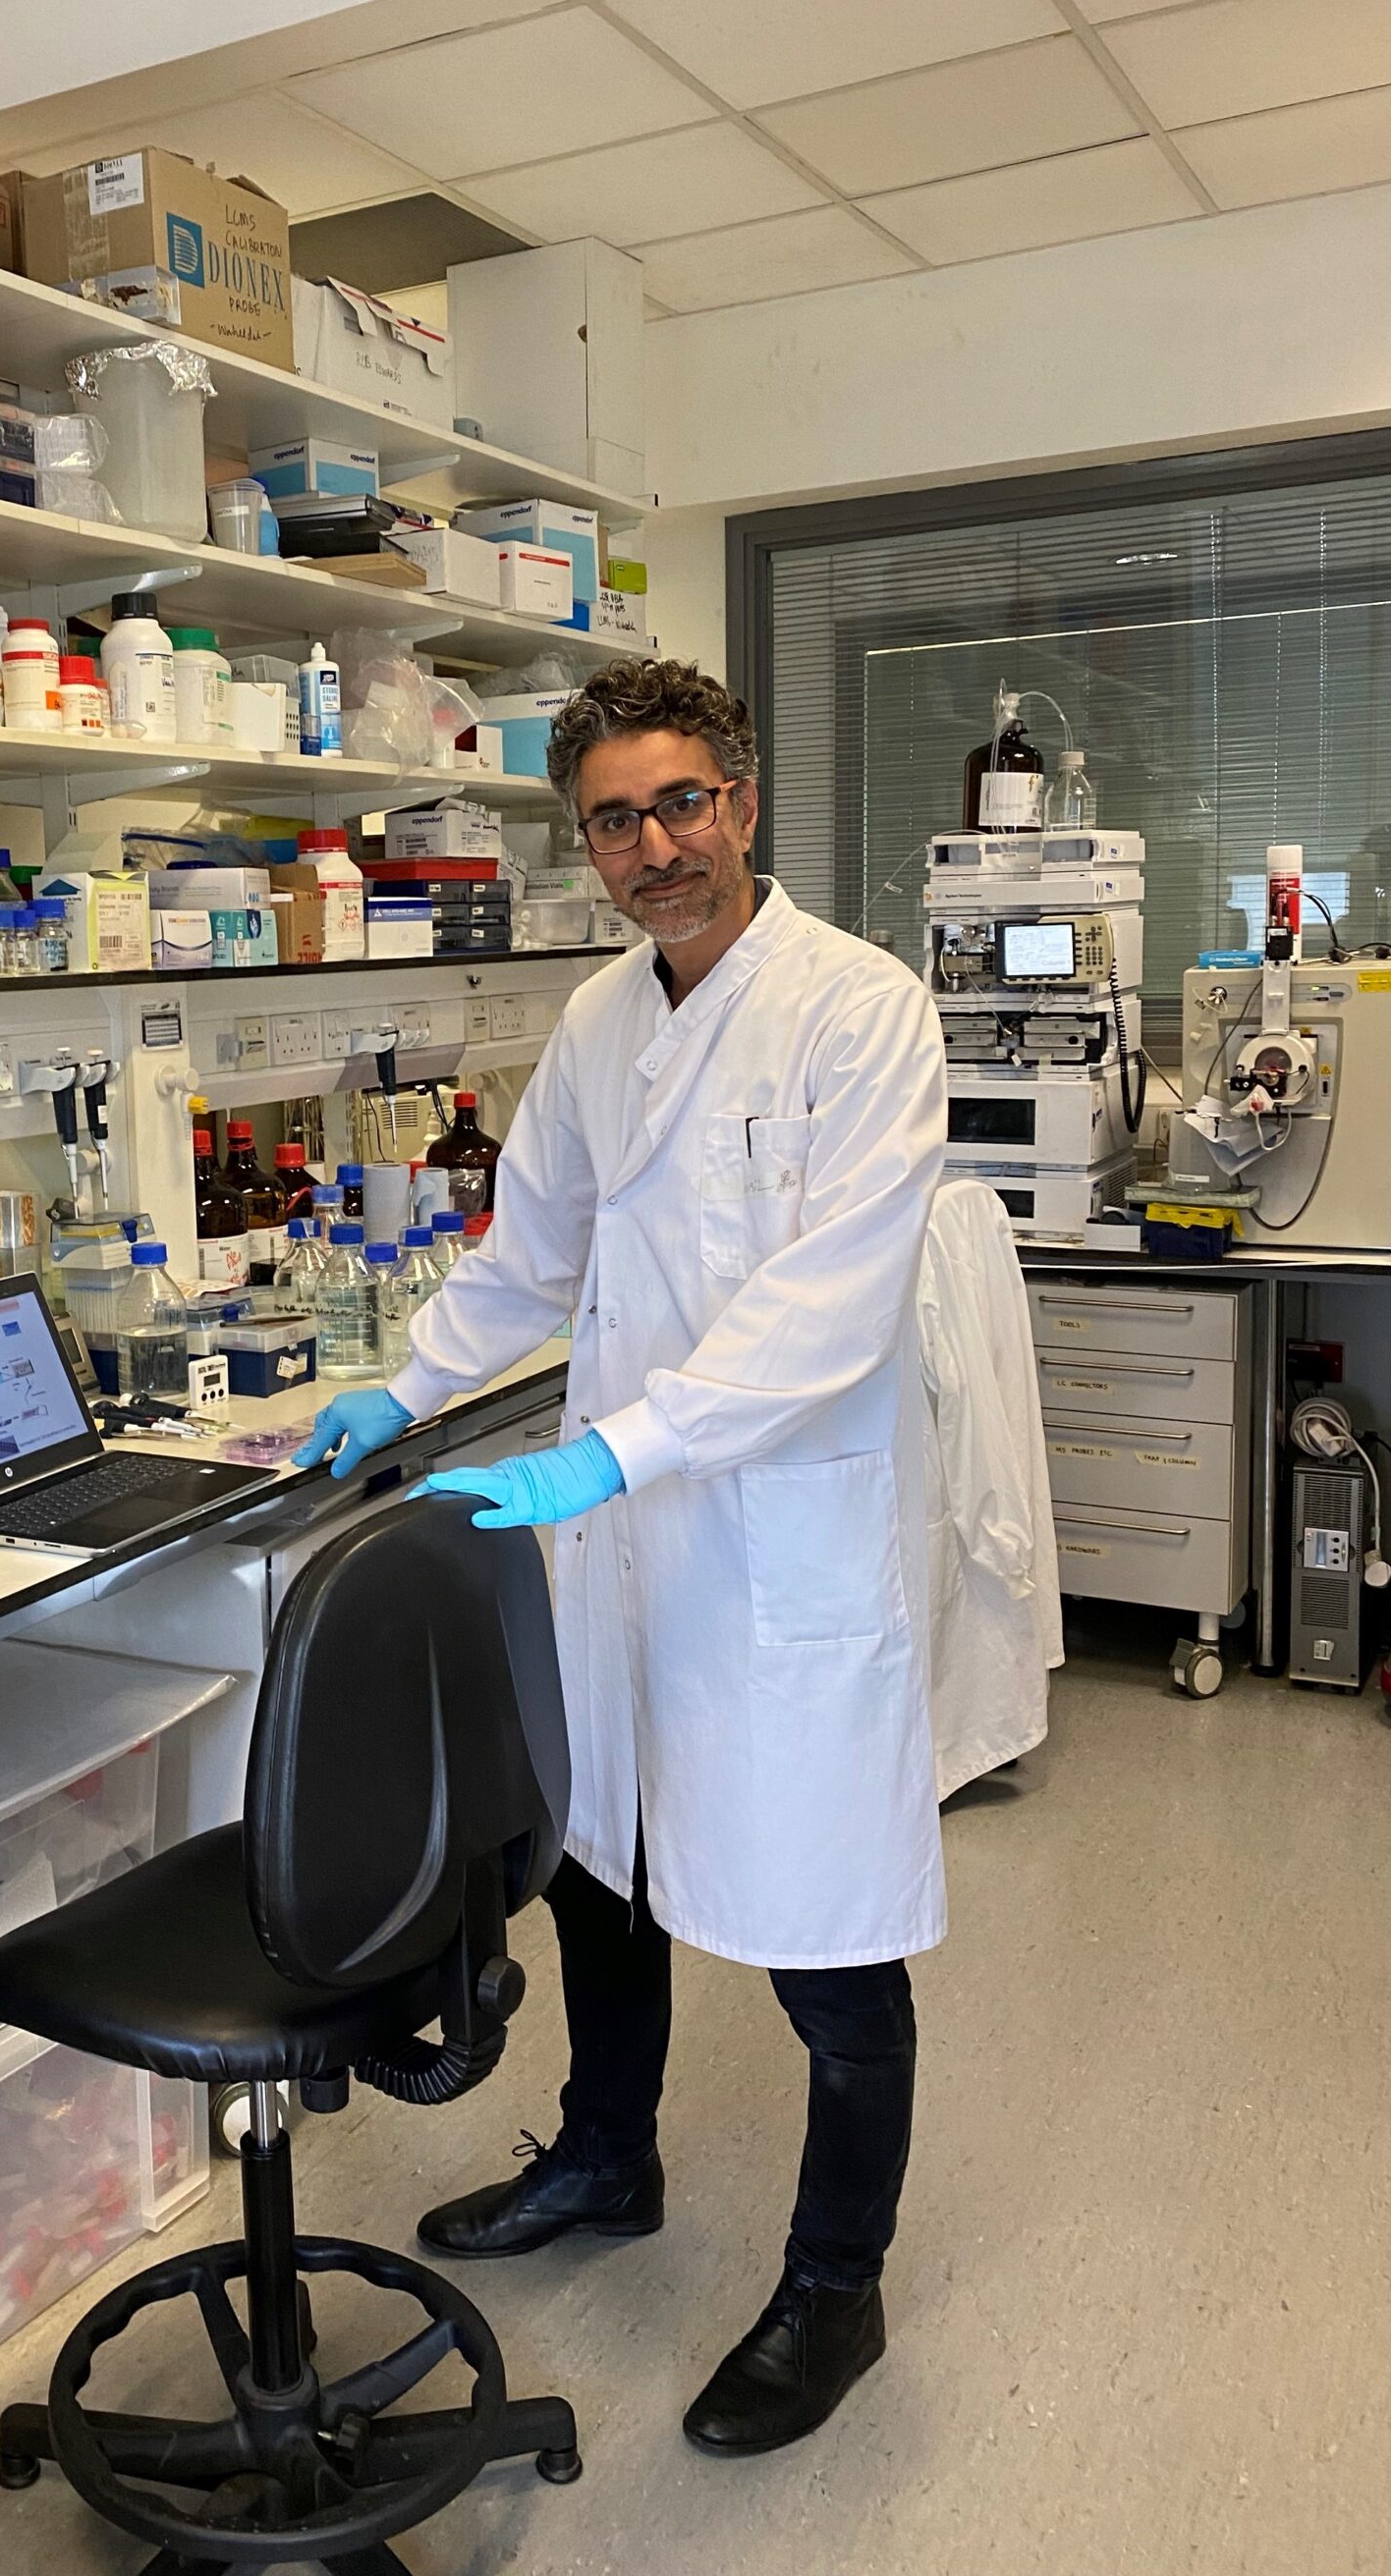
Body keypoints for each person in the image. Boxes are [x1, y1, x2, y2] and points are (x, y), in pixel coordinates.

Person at [296, 657, 948, 2458]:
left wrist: (614, 1450)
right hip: (628, 1527)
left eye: (683, 804)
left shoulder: (861, 1012)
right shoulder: (597, 1022)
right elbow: (529, 1257)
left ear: (740, 802)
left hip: (776, 1520)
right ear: (582, 836)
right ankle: (607, 2155)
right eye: (614, 817)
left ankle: (840, 2283)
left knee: (830, 1935)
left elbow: (827, 1307)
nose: (655, 845)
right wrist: (401, 1391)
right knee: (602, 1858)